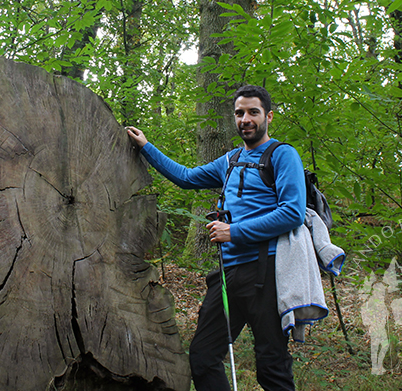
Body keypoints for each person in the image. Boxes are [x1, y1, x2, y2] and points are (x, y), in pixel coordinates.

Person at [125, 85, 305, 391]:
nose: (245, 119)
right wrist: (146, 147)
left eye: (253, 112)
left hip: (268, 274)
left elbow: (292, 213)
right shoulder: (230, 160)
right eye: (239, 113)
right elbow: (186, 178)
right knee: (203, 357)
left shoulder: (283, 155)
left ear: (268, 117)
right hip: (227, 275)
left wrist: (233, 232)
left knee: (272, 367)